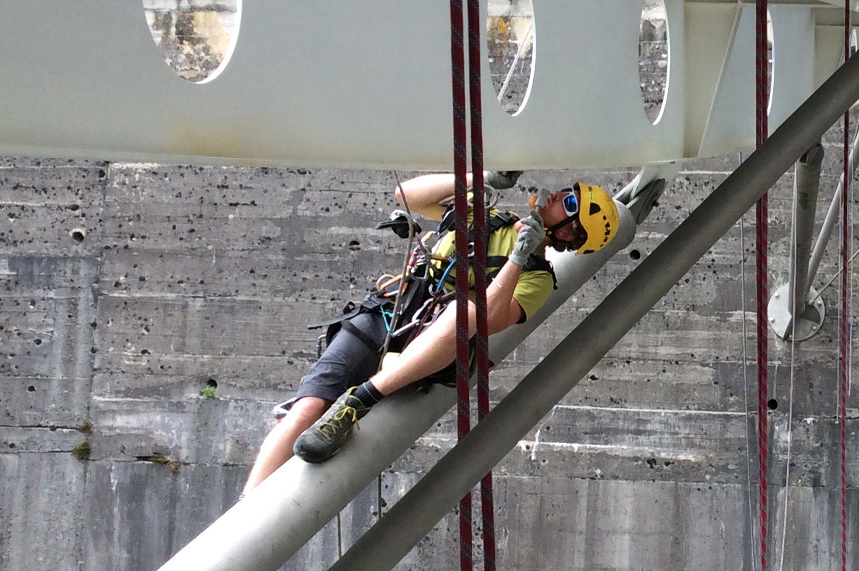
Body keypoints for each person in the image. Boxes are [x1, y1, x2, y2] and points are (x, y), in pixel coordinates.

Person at [240, 172, 619, 493]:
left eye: (570, 203)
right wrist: (480, 179)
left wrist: (518, 258)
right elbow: (406, 195)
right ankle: (244, 515)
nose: (559, 195)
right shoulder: (488, 215)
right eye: (569, 192)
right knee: (306, 409)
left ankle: (359, 400)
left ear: (567, 232)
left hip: (432, 347)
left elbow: (486, 319)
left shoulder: (536, 278)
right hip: (390, 313)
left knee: (463, 312)